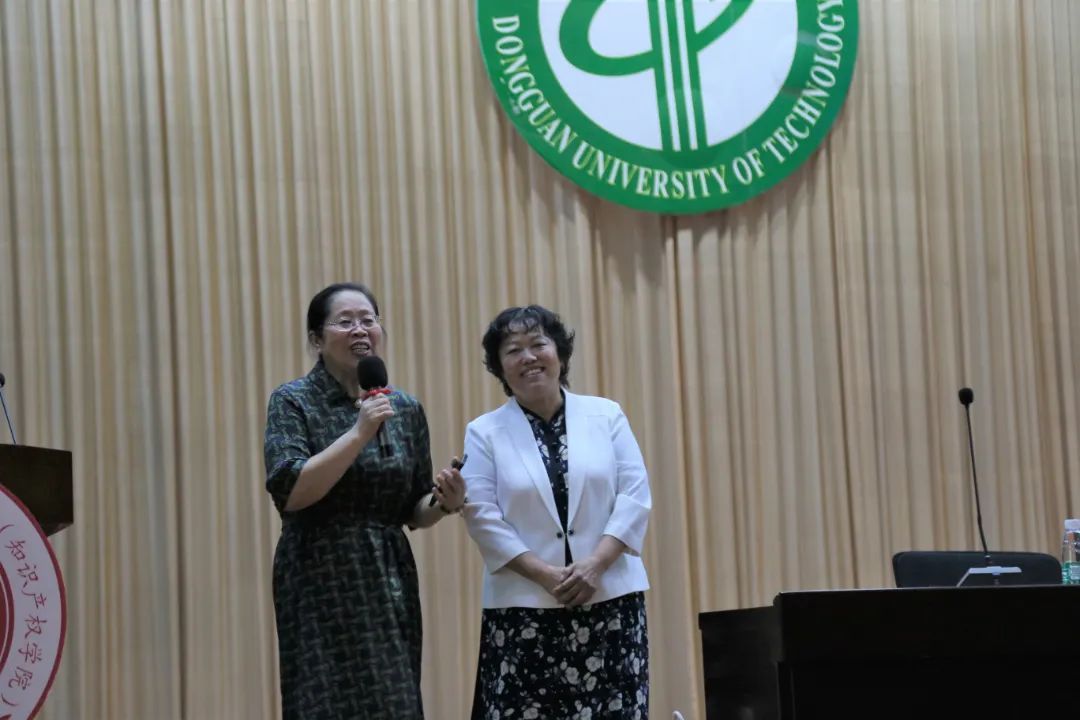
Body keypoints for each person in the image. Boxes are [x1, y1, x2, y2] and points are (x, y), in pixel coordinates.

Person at [263, 282, 465, 720]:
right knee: (321, 701)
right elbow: (291, 491)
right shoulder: (292, 401)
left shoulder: (404, 408)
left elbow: (413, 509)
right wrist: (358, 433)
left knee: (395, 702)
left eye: (368, 320)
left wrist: (444, 503)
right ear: (317, 339)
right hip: (317, 574)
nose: (360, 330)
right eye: (345, 321)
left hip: (387, 573)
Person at [455, 304, 652, 720]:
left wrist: (595, 565)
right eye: (513, 350)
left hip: (610, 601)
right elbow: (482, 517)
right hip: (523, 608)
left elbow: (634, 495)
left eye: (538, 344)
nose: (528, 357)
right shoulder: (483, 432)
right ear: (499, 368)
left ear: (560, 353)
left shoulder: (606, 415)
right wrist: (545, 575)